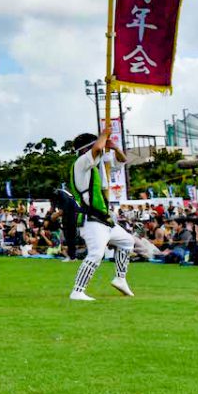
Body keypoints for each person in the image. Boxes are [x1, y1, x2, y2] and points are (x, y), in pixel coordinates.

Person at [68, 125, 134, 301]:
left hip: (104, 219)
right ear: (86, 149)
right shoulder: (81, 163)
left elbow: (122, 160)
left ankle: (120, 279)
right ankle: (77, 291)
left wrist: (114, 148)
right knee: (96, 254)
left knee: (127, 242)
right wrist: (104, 134)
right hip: (91, 219)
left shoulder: (99, 165)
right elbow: (97, 148)